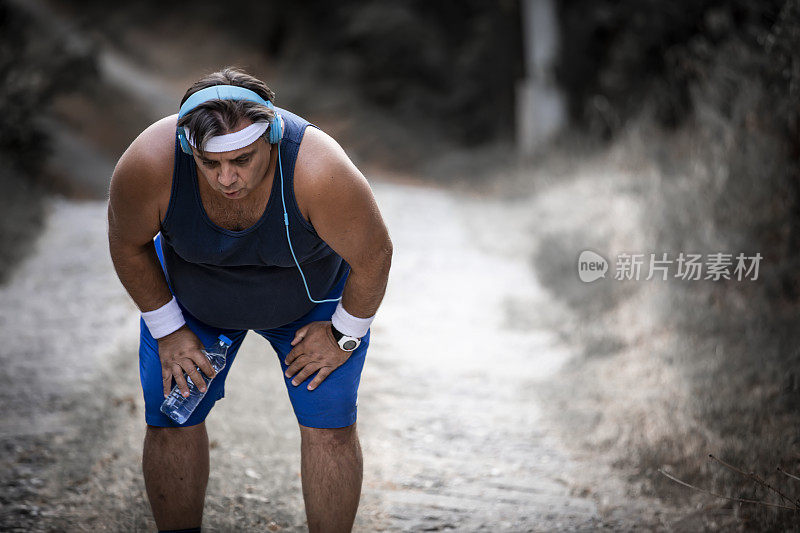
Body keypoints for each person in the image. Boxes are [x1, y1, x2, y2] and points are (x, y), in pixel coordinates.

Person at [107, 67, 393, 533]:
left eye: (242, 160)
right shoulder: (150, 163)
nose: (226, 178)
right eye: (209, 163)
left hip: (311, 298)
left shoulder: (319, 169)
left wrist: (344, 334)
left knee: (331, 425)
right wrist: (169, 330)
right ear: (187, 149)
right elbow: (126, 242)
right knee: (169, 419)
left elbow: (375, 255)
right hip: (194, 300)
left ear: (273, 139)